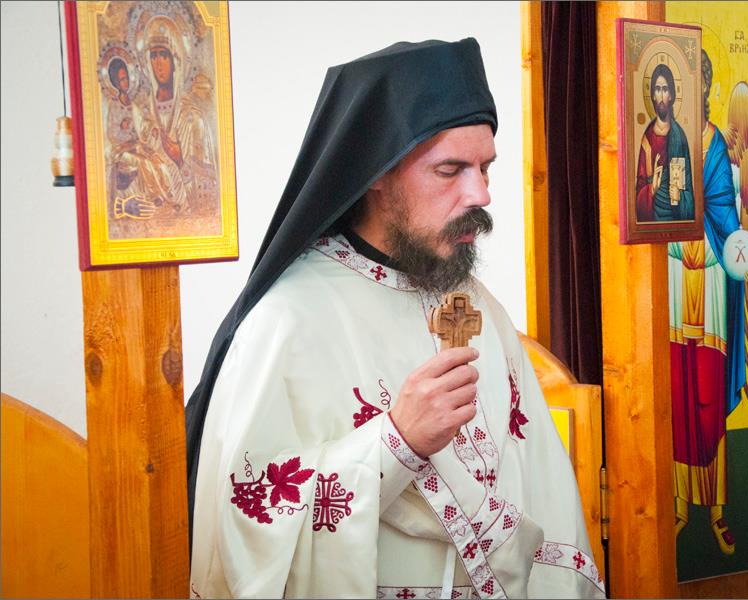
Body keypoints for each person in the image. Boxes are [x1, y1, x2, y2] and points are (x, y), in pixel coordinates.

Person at [186, 39, 605, 599]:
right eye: (451, 169)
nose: (480, 194)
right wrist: (395, 442)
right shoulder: (288, 320)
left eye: (485, 168)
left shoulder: (479, 307)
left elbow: (541, 487)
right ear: (375, 173)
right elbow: (245, 524)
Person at [667, 49, 747, 555]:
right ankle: (679, 505)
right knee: (680, 393)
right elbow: (660, 207)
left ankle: (716, 510)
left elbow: (723, 214)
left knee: (708, 397)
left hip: (711, 281)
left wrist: (694, 220)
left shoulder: (715, 146)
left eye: (697, 84)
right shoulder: (667, 142)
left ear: (705, 89)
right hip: (678, 280)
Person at [132, 15, 218, 214]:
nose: (158, 63)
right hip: (153, 218)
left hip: (188, 218)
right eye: (153, 56)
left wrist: (180, 161)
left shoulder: (193, 119)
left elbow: (209, 198)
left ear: (176, 60)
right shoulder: (142, 117)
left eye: (164, 55)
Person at [635, 62, 694, 222]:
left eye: (665, 89)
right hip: (653, 217)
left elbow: (689, 193)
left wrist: (680, 197)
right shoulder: (647, 139)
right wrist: (651, 190)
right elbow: (638, 196)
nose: (661, 96)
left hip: (675, 218)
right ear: (653, 95)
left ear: (671, 95)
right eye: (658, 89)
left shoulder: (680, 137)